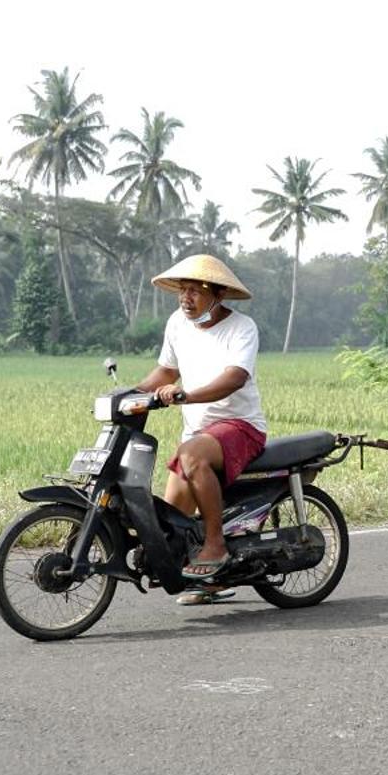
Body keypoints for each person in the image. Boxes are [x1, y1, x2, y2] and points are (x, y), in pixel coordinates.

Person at [133, 255, 268, 594]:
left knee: (190, 455)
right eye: (182, 290)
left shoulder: (241, 328)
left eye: (195, 291)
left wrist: (186, 396)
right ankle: (212, 581)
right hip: (198, 432)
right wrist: (127, 395)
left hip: (239, 426)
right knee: (173, 518)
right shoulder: (178, 323)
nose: (186, 298)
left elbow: (235, 377)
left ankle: (216, 543)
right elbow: (166, 371)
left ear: (218, 295)